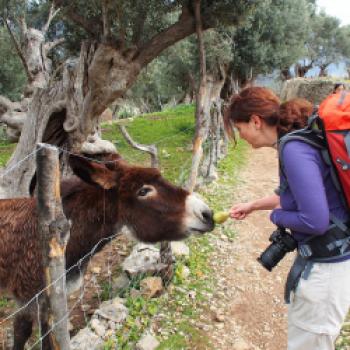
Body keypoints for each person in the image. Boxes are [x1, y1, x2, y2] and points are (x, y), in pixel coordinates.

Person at [224, 86, 350, 350]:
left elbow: (314, 220)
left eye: (239, 128)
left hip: (325, 273)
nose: (241, 136)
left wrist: (276, 216)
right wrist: (253, 205)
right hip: (330, 261)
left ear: (255, 121)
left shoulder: (292, 148)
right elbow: (299, 196)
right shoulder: (297, 141)